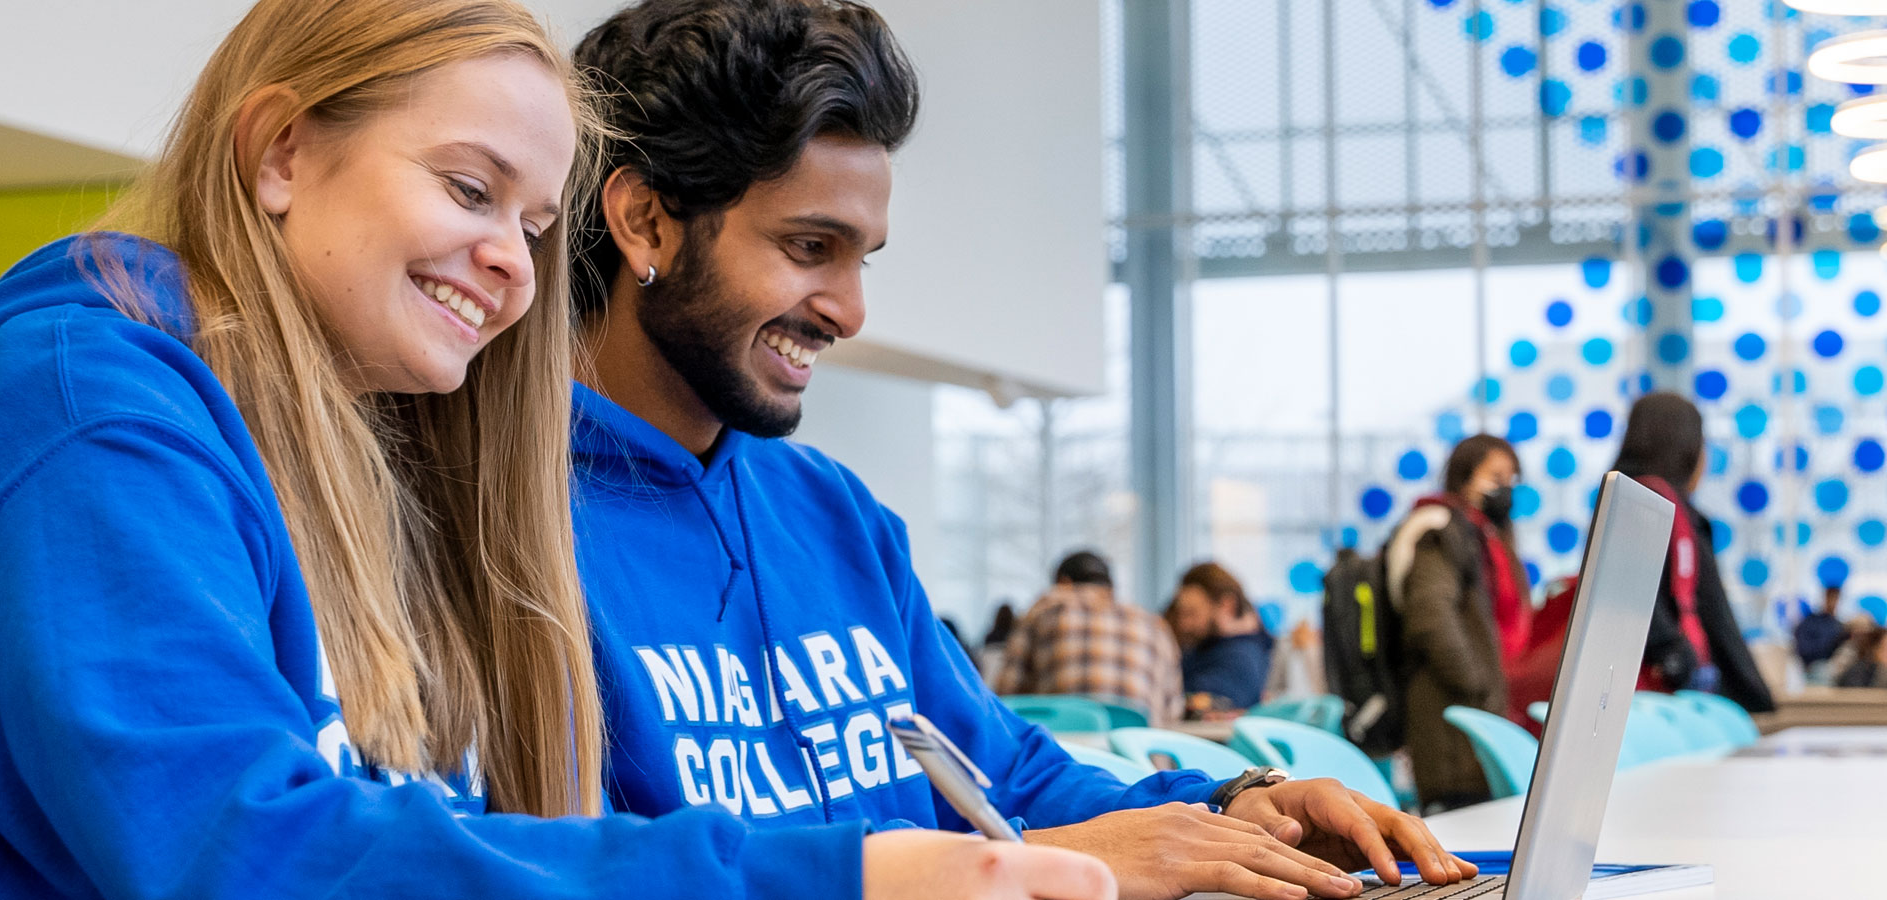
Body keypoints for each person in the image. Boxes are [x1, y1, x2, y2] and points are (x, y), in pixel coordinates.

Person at [0, 2, 1117, 898]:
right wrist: (845, 875)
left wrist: (1229, 807)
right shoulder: (92, 414)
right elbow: (246, 853)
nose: (515, 262)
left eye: (531, 224)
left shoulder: (338, 434)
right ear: (279, 153)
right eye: (470, 188)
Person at [566, 0, 1476, 897]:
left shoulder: (834, 513)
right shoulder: (506, 527)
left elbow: (1002, 776)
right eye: (810, 247)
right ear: (645, 221)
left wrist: (1229, 809)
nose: (850, 309)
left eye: (862, 259)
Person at [1611, 392, 1775, 714]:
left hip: (1634, 697)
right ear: (1685, 446)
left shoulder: (1622, 498)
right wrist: (1757, 694)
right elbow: (1715, 615)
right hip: (1666, 699)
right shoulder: (1660, 508)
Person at [1391, 434, 1530, 812]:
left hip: (1475, 712)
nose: (1506, 488)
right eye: (1496, 476)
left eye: (1512, 478)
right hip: (1452, 721)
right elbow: (1430, 614)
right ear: (1464, 476)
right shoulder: (1442, 529)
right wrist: (1478, 684)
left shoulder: (1484, 535)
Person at [994, 550, 1186, 725]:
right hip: (1138, 757)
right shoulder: (1155, 625)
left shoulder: (1042, 611)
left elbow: (1005, 700)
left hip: (1069, 756)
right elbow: (1173, 713)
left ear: (1063, 582)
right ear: (1110, 588)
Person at [1168, 561, 1275, 713]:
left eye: (1192, 613)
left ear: (1227, 605)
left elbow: (1202, 704)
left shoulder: (1242, 657)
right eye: (1182, 613)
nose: (1184, 624)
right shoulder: (1207, 644)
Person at [1796, 585, 1847, 675]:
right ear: (1824, 598)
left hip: (1836, 666)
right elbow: (1804, 650)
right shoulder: (1811, 622)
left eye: (1835, 599)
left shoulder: (1839, 625)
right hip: (1815, 666)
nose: (1833, 603)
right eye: (1830, 598)